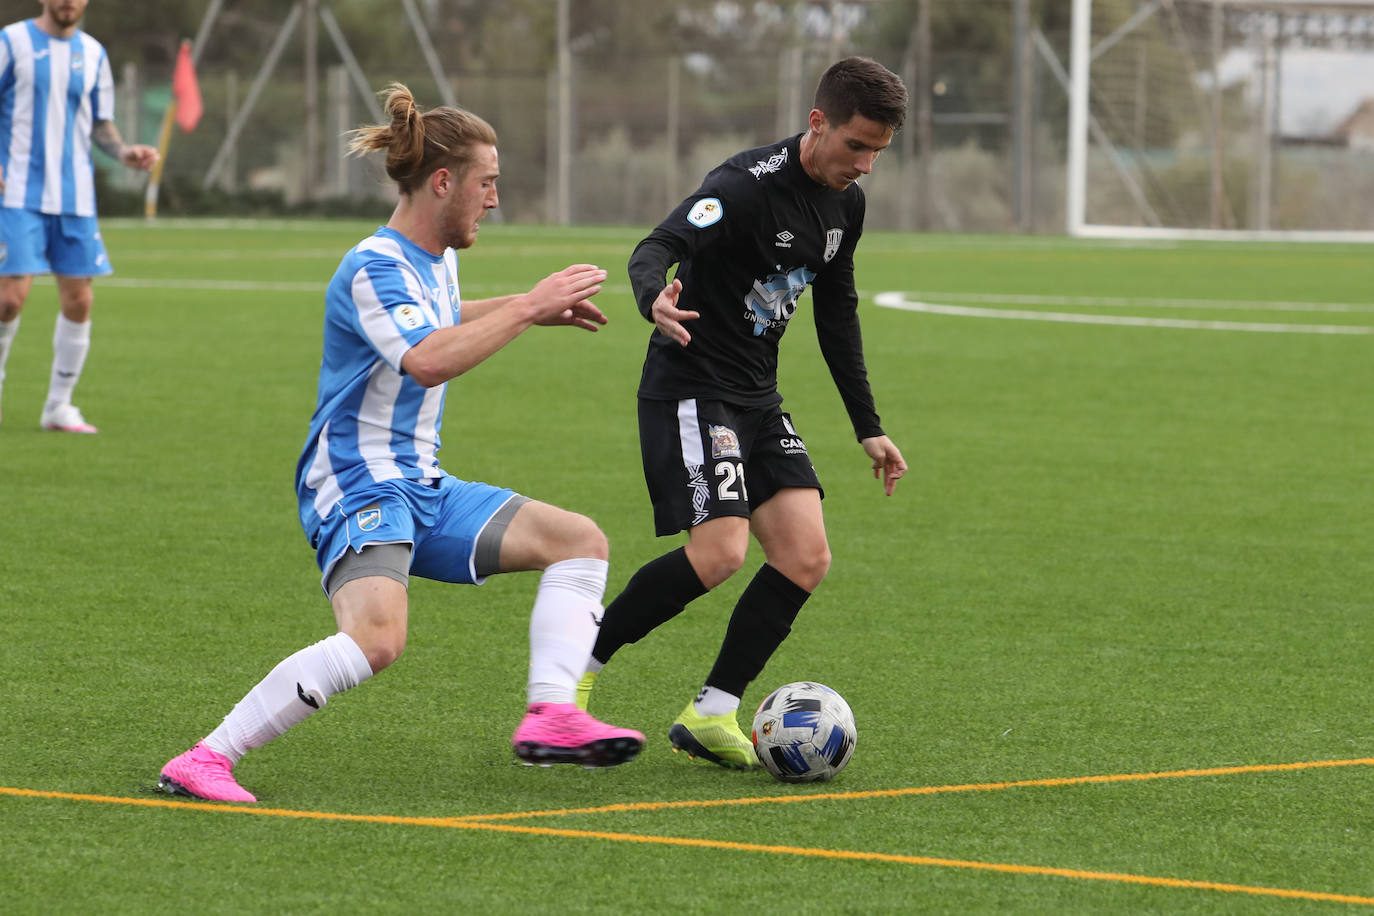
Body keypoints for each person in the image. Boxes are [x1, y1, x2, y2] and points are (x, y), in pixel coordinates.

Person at [158, 84, 643, 803]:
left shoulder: (435, 258)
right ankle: (205, 757)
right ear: (442, 182)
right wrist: (528, 306)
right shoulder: (374, 266)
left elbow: (441, 315)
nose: (495, 200)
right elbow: (427, 357)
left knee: (579, 541)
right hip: (357, 483)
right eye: (487, 183)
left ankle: (552, 715)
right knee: (378, 639)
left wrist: (521, 311)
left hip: (419, 484)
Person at [577, 57, 909, 769]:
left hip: (757, 397)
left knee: (805, 556)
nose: (867, 165)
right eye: (857, 145)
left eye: (879, 151)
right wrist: (652, 296)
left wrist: (868, 425)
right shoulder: (743, 185)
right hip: (693, 387)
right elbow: (660, 244)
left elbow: (838, 313)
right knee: (721, 552)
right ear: (817, 123)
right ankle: (573, 667)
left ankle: (713, 711)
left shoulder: (846, 205)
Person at [0, 0, 158, 433]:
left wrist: (124, 152)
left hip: (75, 197)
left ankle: (58, 407)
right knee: (8, 299)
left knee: (80, 300)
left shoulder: (93, 53)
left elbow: (99, 124)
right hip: (15, 191)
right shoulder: (11, 42)